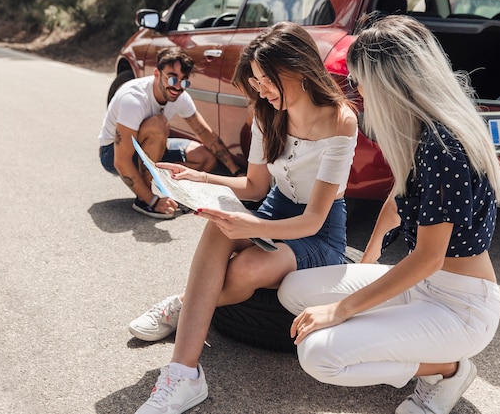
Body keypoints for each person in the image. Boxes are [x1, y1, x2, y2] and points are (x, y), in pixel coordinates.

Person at [277, 14, 500, 414]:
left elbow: (430, 256)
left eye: (360, 79)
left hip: (461, 307)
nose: (357, 90)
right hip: (424, 286)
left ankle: (446, 369)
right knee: (293, 289)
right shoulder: (419, 130)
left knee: (318, 355)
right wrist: (369, 257)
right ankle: (388, 339)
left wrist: (345, 307)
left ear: (390, 81)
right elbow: (399, 198)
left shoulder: (443, 145)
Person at [132, 21, 358, 413]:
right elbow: (255, 186)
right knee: (217, 224)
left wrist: (253, 226)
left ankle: (184, 304)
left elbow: (315, 219)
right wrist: (197, 177)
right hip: (275, 210)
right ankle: (184, 375)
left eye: (267, 81)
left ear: (298, 69)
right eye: (255, 82)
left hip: (319, 234)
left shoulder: (340, 120)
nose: (261, 90)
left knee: (246, 272)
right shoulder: (268, 112)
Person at [98, 47, 243, 219]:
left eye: (184, 81)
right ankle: (144, 200)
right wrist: (152, 200)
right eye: (172, 77)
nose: (177, 86)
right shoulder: (134, 99)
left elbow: (204, 132)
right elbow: (121, 161)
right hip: (113, 153)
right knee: (159, 125)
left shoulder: (179, 96)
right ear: (157, 74)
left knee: (205, 158)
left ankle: (168, 190)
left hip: (149, 146)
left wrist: (236, 171)